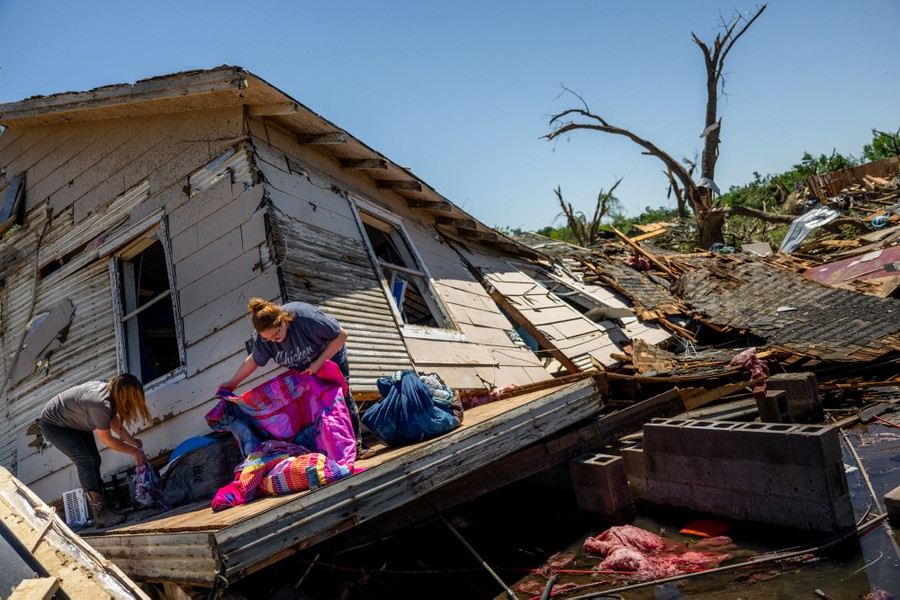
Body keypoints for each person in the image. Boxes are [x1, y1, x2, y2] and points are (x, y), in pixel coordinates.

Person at [220, 298, 372, 458]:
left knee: (340, 397)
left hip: (330, 358)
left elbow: (341, 335)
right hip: (304, 369)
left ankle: (357, 445)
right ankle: (330, 450)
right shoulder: (264, 340)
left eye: (276, 335)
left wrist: (319, 363)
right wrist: (232, 383)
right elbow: (253, 361)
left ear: (283, 320)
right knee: (314, 407)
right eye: (268, 338)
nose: (274, 341)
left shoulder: (305, 317)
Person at [40, 374, 150, 528]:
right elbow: (107, 440)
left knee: (95, 460)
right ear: (124, 396)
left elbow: (111, 418)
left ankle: (106, 509)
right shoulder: (100, 403)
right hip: (54, 424)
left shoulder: (109, 393)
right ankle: (100, 514)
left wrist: (129, 439)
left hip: (73, 420)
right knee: (85, 460)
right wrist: (134, 452)